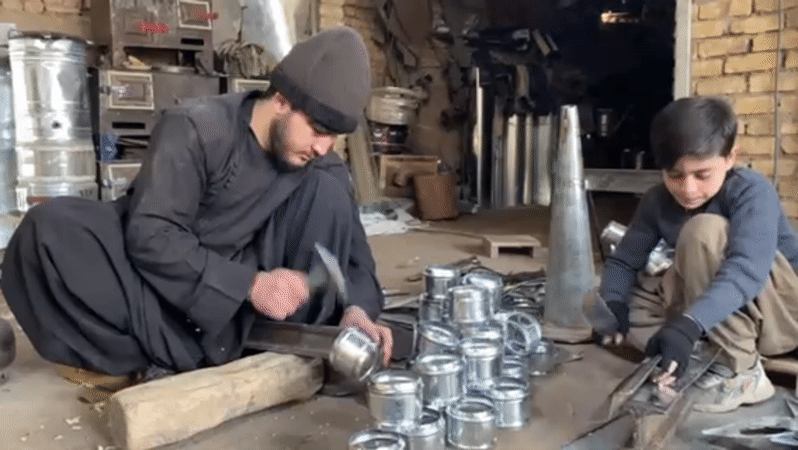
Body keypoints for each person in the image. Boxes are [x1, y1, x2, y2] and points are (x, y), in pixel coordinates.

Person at [0, 26, 393, 386]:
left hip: (242, 315)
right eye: (318, 131)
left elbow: (357, 263)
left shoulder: (320, 163)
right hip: (164, 282)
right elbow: (151, 235)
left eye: (333, 137)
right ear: (282, 101)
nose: (323, 147)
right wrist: (250, 285)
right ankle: (149, 357)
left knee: (328, 186)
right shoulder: (198, 129)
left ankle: (274, 342)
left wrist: (357, 312)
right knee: (47, 231)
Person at [597, 96, 798, 413]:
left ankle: (743, 373)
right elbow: (624, 261)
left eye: (702, 175)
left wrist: (689, 323)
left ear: (730, 158)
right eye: (675, 175)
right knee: (625, 296)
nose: (688, 189)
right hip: (722, 315)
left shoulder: (752, 191)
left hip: (781, 314)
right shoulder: (657, 200)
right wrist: (613, 303)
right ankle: (696, 354)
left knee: (701, 232)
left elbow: (746, 271)